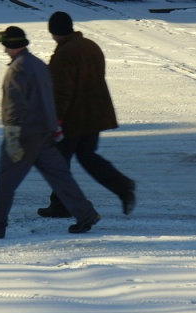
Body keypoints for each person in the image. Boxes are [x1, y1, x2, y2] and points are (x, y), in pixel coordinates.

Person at [0, 26, 100, 239]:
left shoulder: (18, 70)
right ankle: (86, 214)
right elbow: (49, 97)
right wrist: (54, 125)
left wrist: (12, 137)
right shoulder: (38, 64)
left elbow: (14, 105)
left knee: (5, 181)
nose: (4, 50)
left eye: (5, 45)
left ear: (9, 45)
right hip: (45, 132)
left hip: (24, 135)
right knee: (60, 177)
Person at [38, 12, 136, 219]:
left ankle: (63, 205)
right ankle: (122, 186)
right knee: (86, 156)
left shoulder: (65, 54)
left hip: (75, 118)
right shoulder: (90, 46)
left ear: (54, 31)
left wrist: (56, 120)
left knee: (58, 163)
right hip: (95, 113)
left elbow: (61, 92)